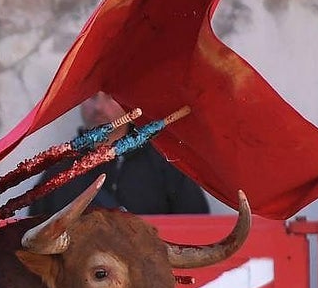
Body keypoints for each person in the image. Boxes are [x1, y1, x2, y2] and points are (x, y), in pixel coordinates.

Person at [28, 91, 210, 216]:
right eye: (91, 97)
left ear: (128, 104)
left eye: (109, 97)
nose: (98, 107)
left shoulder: (165, 164)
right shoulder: (58, 171)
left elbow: (196, 229)